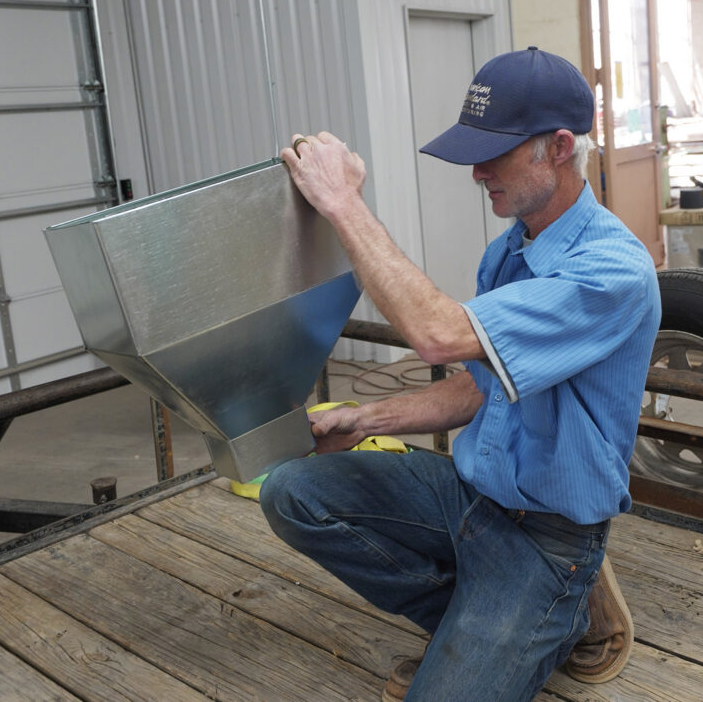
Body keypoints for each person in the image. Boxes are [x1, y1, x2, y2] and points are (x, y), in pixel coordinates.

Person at [259, 47, 660, 701]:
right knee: (291, 492)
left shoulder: (612, 271)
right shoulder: (508, 251)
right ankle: (484, 624)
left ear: (559, 148)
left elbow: (436, 333)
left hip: (545, 536)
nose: (476, 172)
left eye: (495, 153)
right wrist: (366, 419)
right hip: (470, 495)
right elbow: (479, 385)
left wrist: (341, 203)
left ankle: (559, 611)